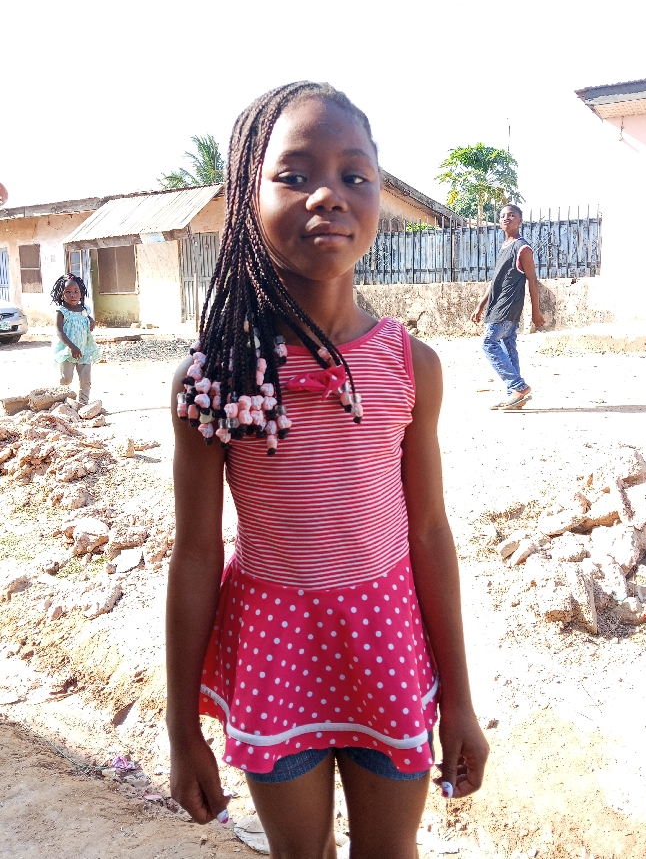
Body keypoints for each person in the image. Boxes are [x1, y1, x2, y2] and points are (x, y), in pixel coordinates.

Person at [166, 81, 489, 859]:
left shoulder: (411, 365)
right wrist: (181, 729)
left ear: (378, 193)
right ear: (245, 197)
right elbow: (197, 553)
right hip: (275, 649)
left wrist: (461, 700)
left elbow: (429, 532)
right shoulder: (217, 379)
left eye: (354, 174)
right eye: (294, 174)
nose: (328, 195)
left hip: (386, 640)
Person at [470, 204, 544, 410]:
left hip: (508, 305)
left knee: (489, 343)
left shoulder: (523, 248)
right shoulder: (505, 246)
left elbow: (532, 280)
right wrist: (480, 305)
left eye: (511, 215)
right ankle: (515, 396)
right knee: (507, 346)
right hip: (497, 303)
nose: (506, 218)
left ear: (520, 221)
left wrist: (535, 311)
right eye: (503, 215)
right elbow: (495, 280)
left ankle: (518, 386)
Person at [50, 273, 100, 405]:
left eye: (76, 291)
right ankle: (61, 401)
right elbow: (59, 331)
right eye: (68, 292)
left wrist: (91, 321)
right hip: (67, 351)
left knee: (85, 379)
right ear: (61, 294)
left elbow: (86, 318)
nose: (73, 295)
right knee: (66, 379)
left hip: (84, 349)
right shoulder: (61, 311)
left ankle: (83, 404)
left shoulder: (84, 309)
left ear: (81, 293)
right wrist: (72, 347)